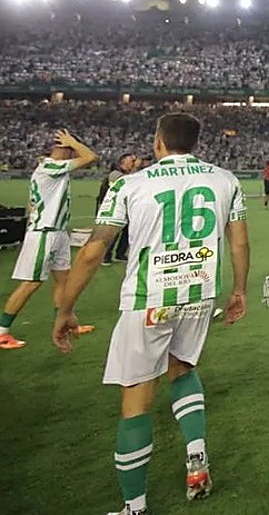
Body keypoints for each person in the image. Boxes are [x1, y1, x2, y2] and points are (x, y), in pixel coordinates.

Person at [51, 112, 250, 515]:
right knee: (184, 370)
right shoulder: (225, 179)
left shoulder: (130, 183)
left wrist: (65, 308)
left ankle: (135, 507)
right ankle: (196, 459)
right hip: (198, 294)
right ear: (195, 142)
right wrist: (239, 290)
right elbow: (239, 243)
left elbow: (92, 252)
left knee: (136, 403)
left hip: (149, 300)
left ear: (158, 141)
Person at [0, 128, 98, 350]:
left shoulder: (50, 169)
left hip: (57, 232)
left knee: (64, 281)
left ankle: (65, 323)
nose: (73, 155)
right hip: (45, 233)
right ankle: (2, 332)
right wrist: (73, 141)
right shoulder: (50, 166)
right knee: (31, 283)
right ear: (63, 149)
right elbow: (91, 157)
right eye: (71, 150)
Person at [99, 153, 137, 266]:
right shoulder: (116, 174)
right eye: (132, 161)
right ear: (123, 162)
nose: (133, 163)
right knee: (113, 233)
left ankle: (120, 253)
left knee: (126, 232)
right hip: (115, 208)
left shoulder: (125, 174)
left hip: (125, 208)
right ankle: (106, 256)